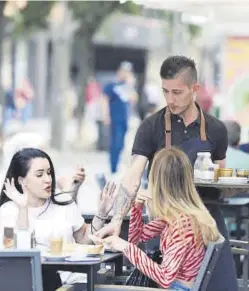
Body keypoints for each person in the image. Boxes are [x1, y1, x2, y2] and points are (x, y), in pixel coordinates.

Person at [96, 56, 238, 291]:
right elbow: (132, 177)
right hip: (167, 218)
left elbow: (222, 177)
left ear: (195, 89)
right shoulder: (151, 126)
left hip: (206, 217)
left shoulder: (216, 129)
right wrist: (117, 218)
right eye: (165, 92)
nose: (170, 100)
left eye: (177, 92)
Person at [92, 148, 222, 291]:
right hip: (174, 287)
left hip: (176, 288)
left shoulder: (183, 225)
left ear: (157, 182)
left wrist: (124, 246)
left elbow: (165, 278)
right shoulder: (178, 215)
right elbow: (137, 239)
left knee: (94, 287)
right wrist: (137, 208)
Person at [0, 148, 116, 291]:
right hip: (28, 282)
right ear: (21, 180)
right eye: (39, 175)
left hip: (71, 282)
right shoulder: (8, 210)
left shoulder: (63, 202)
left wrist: (102, 212)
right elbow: (16, 254)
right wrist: (23, 209)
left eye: (49, 173)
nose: (48, 179)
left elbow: (83, 237)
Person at [0, 132, 84, 245]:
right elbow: (13, 248)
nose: (43, 155)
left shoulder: (44, 184)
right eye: (39, 151)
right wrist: (23, 210)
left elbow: (67, 212)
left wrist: (72, 188)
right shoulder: (5, 203)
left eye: (49, 173)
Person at [101, 61, 137, 174]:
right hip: (114, 118)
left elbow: (134, 99)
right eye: (124, 71)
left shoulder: (128, 86)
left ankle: (116, 166)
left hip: (125, 119)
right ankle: (113, 168)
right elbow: (104, 100)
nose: (125, 73)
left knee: (121, 144)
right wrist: (105, 115)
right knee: (115, 143)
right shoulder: (111, 85)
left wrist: (130, 85)